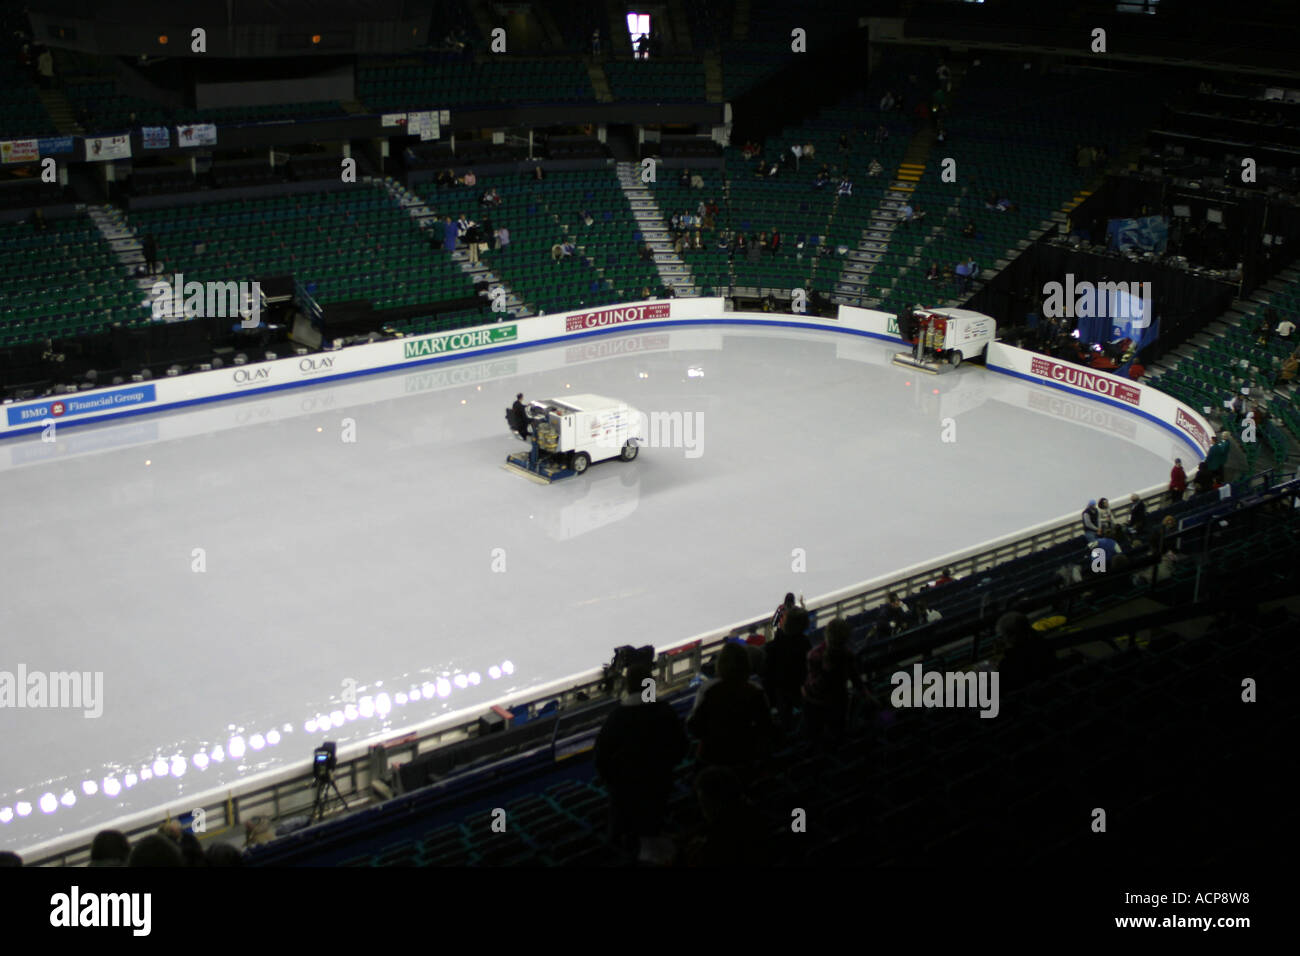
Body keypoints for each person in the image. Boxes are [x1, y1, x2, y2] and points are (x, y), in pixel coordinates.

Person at [594, 655, 689, 855]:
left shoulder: (617, 718)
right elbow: (681, 746)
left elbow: (601, 759)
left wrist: (613, 781)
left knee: (625, 836)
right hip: (659, 785)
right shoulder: (664, 711)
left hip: (625, 792)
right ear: (650, 684)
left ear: (628, 686)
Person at [687, 642, 774, 774]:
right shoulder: (755, 691)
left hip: (711, 756)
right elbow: (766, 725)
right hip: (743, 756)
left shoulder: (709, 690)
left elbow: (693, 726)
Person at [801, 618, 864, 742]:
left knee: (814, 735)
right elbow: (856, 680)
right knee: (837, 732)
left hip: (817, 705)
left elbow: (815, 687)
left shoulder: (815, 656)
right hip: (839, 702)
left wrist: (804, 691)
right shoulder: (848, 655)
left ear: (827, 633)